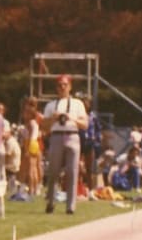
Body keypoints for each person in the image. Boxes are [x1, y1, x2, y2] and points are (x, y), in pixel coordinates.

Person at [42, 75, 89, 215]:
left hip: (72, 135)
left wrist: (71, 118)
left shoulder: (77, 104)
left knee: (72, 172)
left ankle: (71, 206)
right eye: (60, 85)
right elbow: (44, 126)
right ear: (56, 88)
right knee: (53, 172)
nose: (62, 87)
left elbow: (85, 125)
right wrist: (53, 118)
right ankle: (51, 202)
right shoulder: (50, 105)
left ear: (70, 87)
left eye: (65, 84)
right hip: (56, 136)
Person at [18, 97, 43, 198]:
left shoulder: (33, 122)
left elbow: (33, 135)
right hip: (31, 143)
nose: (24, 114)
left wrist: (29, 149)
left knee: (32, 169)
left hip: (32, 144)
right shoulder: (29, 123)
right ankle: (32, 188)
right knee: (31, 168)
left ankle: (33, 189)